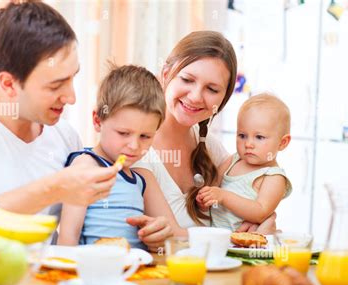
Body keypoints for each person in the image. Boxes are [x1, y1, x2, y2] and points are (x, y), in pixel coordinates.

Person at [0, 2, 170, 242]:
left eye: (73, 78)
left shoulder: (65, 136)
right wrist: (50, 189)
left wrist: (152, 231)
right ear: (9, 84)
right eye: (55, 85)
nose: (71, 97)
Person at [133, 31, 277, 232]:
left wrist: (261, 221)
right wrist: (236, 240)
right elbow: (171, 238)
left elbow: (260, 198)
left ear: (223, 98)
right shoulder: (135, 146)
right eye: (187, 79)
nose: (195, 97)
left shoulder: (211, 147)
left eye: (212, 89)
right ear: (166, 75)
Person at [58, 65, 181, 250]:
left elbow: (173, 236)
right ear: (98, 120)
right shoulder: (86, 166)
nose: (134, 146)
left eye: (145, 136)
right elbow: (68, 237)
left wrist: (158, 235)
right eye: (124, 133)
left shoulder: (141, 179)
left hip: (138, 272)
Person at [196, 93, 292, 231]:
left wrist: (223, 196)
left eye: (259, 137)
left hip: (246, 245)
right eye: (242, 135)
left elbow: (260, 213)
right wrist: (205, 200)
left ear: (282, 143)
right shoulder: (233, 161)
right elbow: (213, 187)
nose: (248, 144)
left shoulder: (273, 177)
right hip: (218, 238)